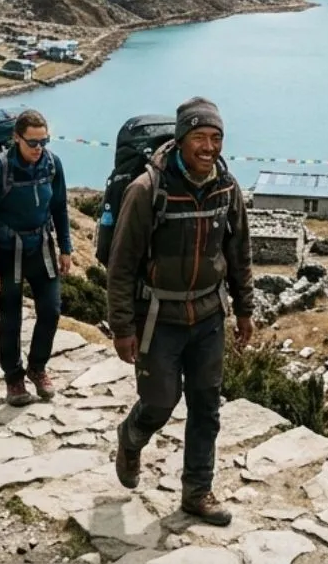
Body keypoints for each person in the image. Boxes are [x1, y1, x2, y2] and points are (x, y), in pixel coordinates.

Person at [108, 98, 253, 527]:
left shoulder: (227, 188)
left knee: (207, 406)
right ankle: (132, 436)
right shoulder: (146, 190)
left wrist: (245, 310)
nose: (208, 147)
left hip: (209, 316)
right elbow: (121, 264)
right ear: (181, 138)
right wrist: (121, 327)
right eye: (199, 137)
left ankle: (197, 492)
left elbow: (239, 251)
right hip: (158, 318)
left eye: (216, 138)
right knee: (160, 402)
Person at [0, 110, 72, 406]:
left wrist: (66, 248)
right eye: (32, 142)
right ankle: (14, 379)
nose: (38, 148)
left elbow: (60, 208)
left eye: (44, 140)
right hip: (8, 252)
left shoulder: (53, 164)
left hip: (42, 247)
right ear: (16, 138)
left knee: (51, 309)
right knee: (10, 317)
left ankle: (37, 367)